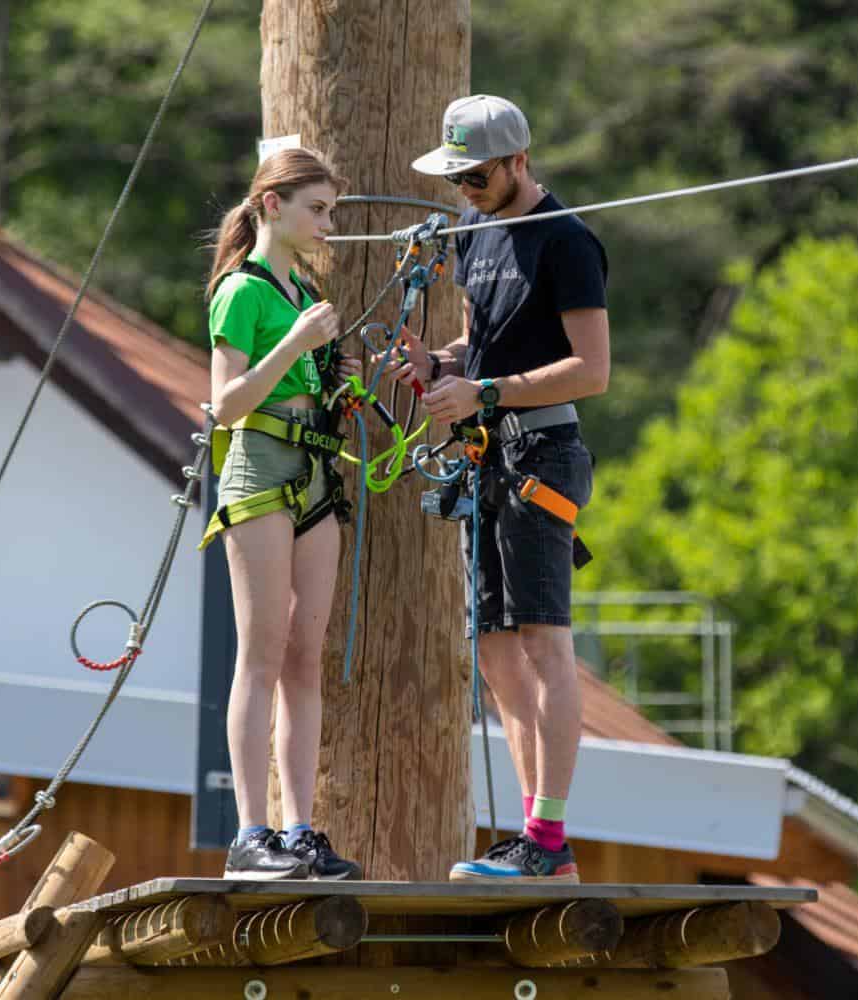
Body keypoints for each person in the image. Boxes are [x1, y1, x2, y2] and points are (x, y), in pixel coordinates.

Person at [399, 95, 611, 882]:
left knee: (542, 642)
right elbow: (480, 343)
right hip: (487, 457)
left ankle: (548, 839)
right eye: (456, 179)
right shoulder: (473, 230)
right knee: (494, 652)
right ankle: (536, 840)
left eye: (478, 176)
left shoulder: (567, 241)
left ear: (519, 161)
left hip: (542, 454)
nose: (466, 190)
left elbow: (591, 370)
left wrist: (483, 392)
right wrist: (439, 365)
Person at [200, 147, 363, 880]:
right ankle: (249, 832)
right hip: (260, 473)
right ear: (273, 204)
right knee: (261, 653)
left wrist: (336, 377)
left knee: (305, 659)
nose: (327, 224)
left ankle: (299, 830)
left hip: (316, 474)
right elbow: (227, 404)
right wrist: (299, 342)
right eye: (316, 209)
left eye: (330, 211)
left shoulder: (305, 291)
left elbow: (306, 385)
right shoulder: (244, 291)